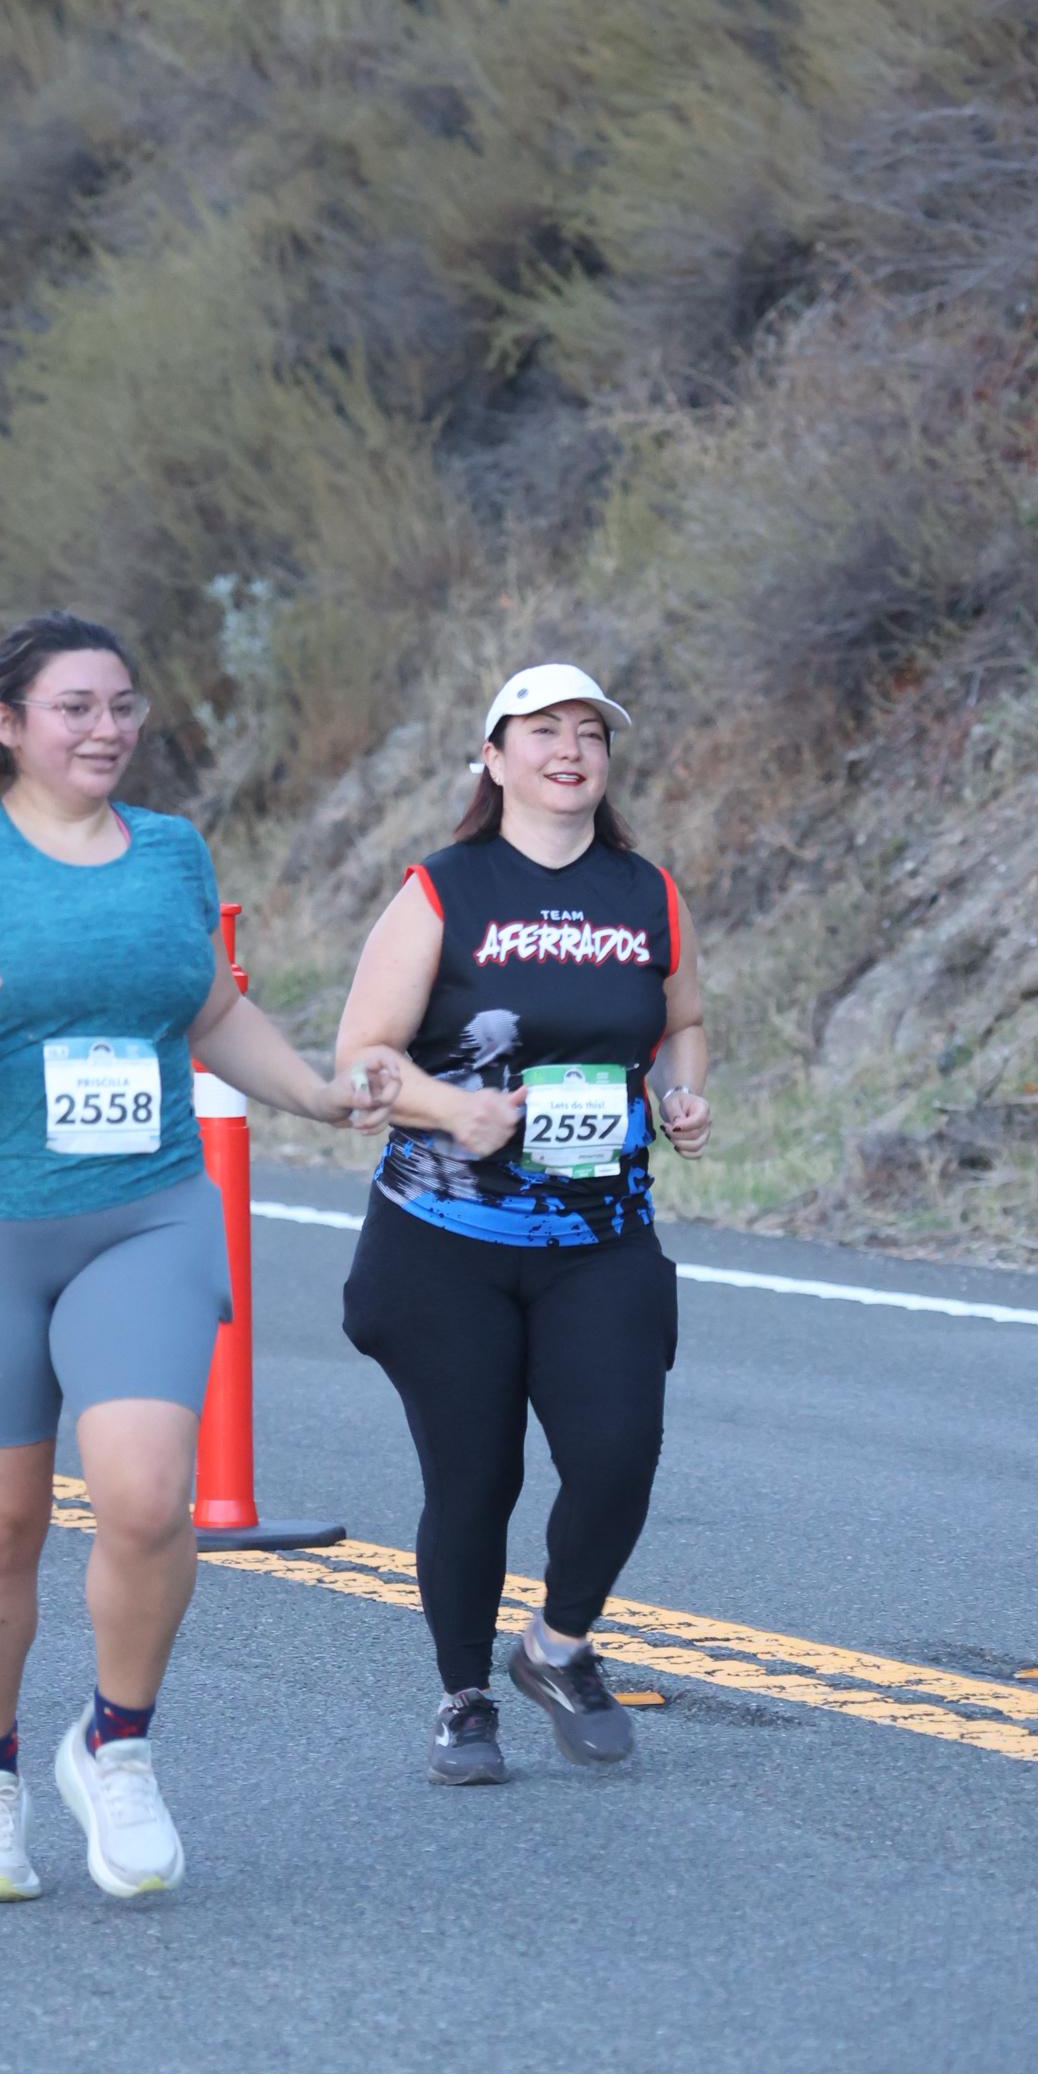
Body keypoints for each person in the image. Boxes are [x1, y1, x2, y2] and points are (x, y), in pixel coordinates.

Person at [0, 609, 399, 1903]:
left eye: (123, 705)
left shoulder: (172, 851)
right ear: (9, 723)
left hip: (145, 1214)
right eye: (75, 707)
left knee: (145, 1500)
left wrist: (313, 1092)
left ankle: (118, 1747)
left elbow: (209, 1009)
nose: (107, 728)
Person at [336, 660, 710, 1784]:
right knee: (474, 1479)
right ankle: (464, 1697)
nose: (570, 749)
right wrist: (455, 1109)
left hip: (601, 1239)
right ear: (494, 759)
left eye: (590, 732)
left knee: (617, 1458)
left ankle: (556, 1646)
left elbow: (683, 1021)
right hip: (444, 1243)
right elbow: (363, 1057)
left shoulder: (648, 894)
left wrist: (683, 1093)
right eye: (542, 730)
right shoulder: (443, 889)